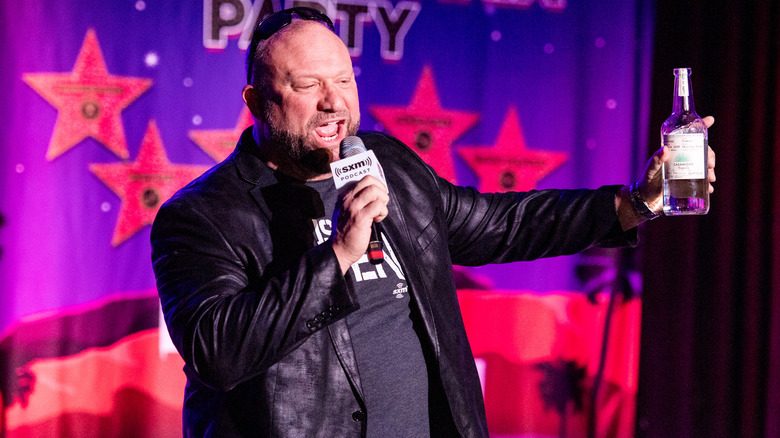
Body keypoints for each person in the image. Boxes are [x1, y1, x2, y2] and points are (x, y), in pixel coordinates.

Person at [151, 7, 716, 438]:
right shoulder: (201, 216)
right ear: (256, 100)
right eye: (306, 86)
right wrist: (339, 254)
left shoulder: (385, 162)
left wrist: (636, 201)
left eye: (343, 82)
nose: (333, 103)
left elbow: (499, 224)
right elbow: (217, 351)